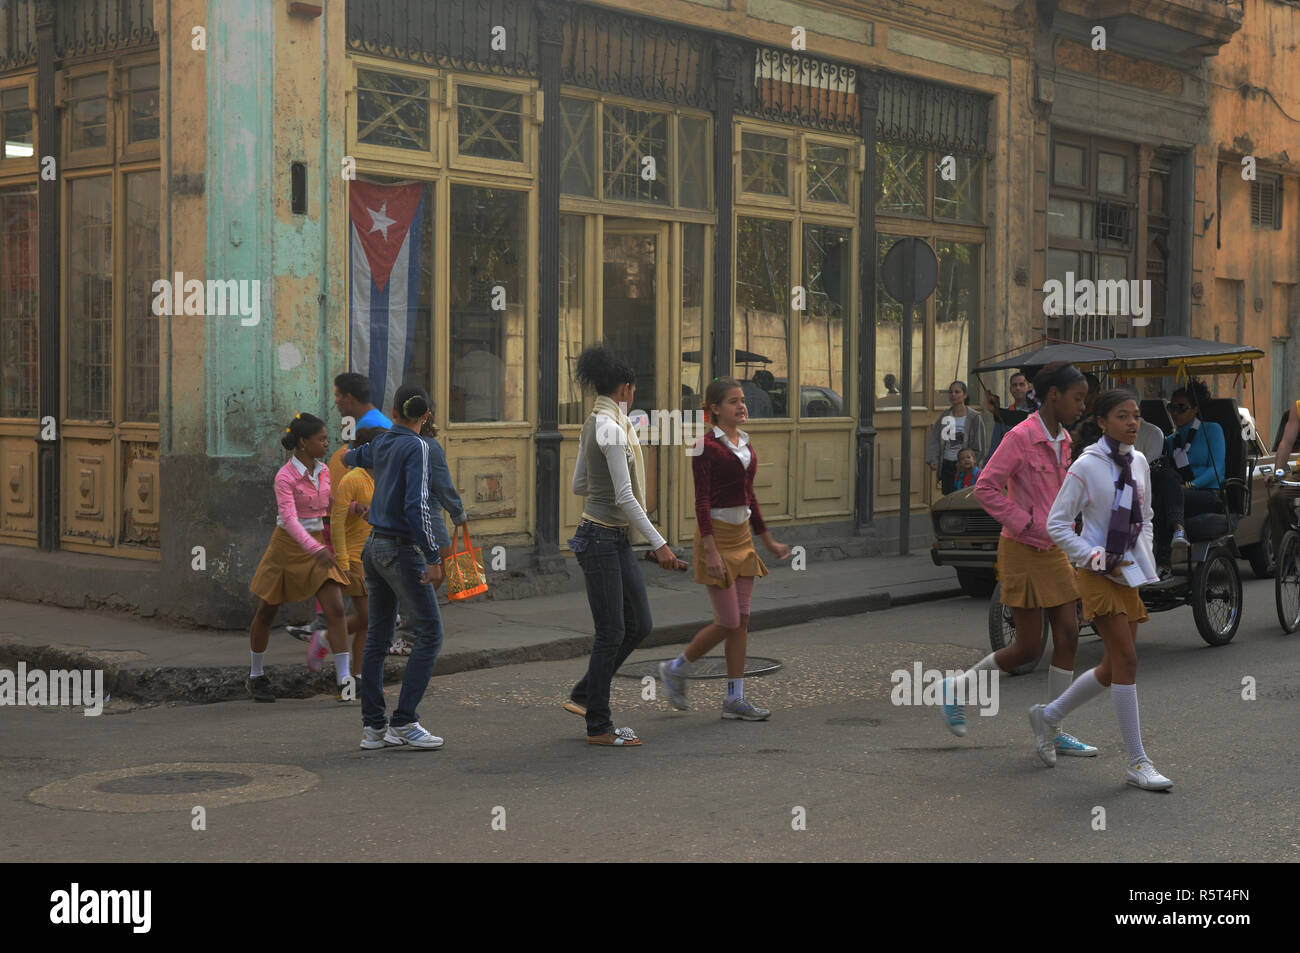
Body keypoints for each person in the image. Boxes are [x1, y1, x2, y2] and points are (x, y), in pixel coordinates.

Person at [941, 363, 1096, 757]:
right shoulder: (1020, 436)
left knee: (1068, 634)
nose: (1082, 407)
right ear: (1054, 395)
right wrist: (1025, 522)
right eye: (1077, 398)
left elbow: (1060, 495)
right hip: (1022, 549)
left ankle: (1053, 726)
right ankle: (956, 688)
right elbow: (986, 487)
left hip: (1056, 548)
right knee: (1028, 649)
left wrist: (1074, 529)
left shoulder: (1063, 439)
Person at [1035, 389, 1170, 791]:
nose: (1132, 423)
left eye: (1136, 416)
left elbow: (1145, 517)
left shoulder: (1141, 462)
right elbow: (1057, 524)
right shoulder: (1086, 466)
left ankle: (1047, 716)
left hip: (1128, 575)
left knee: (1113, 669)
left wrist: (1139, 559)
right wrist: (1097, 558)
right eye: (1122, 416)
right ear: (1102, 422)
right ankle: (1138, 762)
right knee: (1127, 661)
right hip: (1097, 576)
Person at [566, 345, 687, 746]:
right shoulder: (613, 429)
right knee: (612, 631)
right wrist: (661, 544)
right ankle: (598, 725)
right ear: (626, 389)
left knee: (638, 625)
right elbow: (625, 497)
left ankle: (586, 692)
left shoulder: (594, 422)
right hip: (601, 538)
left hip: (608, 537)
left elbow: (579, 485)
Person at [658, 378, 792, 721]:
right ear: (715, 409)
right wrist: (711, 550)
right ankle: (676, 667)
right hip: (715, 539)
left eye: (743, 400)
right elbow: (701, 501)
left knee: (742, 623)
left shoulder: (745, 444)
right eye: (734, 401)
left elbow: (750, 497)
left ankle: (735, 698)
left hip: (742, 540)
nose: (742, 406)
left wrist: (768, 542)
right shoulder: (705, 446)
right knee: (729, 620)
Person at [343, 385, 447, 750]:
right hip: (400, 549)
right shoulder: (417, 446)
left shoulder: (384, 442)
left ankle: (373, 728)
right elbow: (416, 506)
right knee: (431, 633)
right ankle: (404, 721)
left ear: (394, 411)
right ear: (426, 416)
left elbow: (348, 457)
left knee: (377, 636)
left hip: (373, 547)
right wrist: (433, 557)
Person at [246, 413, 353, 703]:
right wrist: (315, 549)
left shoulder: (324, 471)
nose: (327, 443)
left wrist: (353, 507)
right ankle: (256, 675)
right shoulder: (285, 476)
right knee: (267, 612)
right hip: (287, 547)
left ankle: (345, 681)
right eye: (321, 439)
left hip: (315, 545)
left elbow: (328, 502)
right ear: (303, 443)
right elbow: (290, 520)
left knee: (336, 610)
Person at [1151, 378, 1225, 577]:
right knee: (1164, 476)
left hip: (1207, 494)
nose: (1174, 413)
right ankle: (1177, 529)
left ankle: (1164, 563)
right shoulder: (1169, 440)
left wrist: (1191, 485)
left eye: (1181, 408)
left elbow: (1217, 468)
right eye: (1171, 408)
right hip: (1178, 493)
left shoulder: (1212, 430)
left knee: (1163, 500)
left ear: (1194, 409)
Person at [329, 427, 381, 679]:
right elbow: (336, 522)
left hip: (378, 556)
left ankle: (359, 676)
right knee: (368, 619)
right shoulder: (351, 479)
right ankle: (330, 638)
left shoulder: (386, 476)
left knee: (369, 622)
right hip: (354, 557)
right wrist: (342, 561)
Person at [419, 416, 469, 586]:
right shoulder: (430, 446)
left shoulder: (394, 442)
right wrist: (457, 513)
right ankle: (420, 611)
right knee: (440, 566)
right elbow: (443, 486)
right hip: (427, 512)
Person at [926, 380, 986, 495]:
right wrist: (934, 459)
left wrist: (972, 464)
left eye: (957, 392)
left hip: (965, 466)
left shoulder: (974, 417)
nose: (953, 395)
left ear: (965, 395)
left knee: (964, 497)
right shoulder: (945, 416)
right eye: (951, 392)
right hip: (948, 463)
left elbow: (980, 445)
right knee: (948, 496)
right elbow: (936, 439)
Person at [1266, 402, 1300, 561]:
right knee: (1276, 498)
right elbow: (1286, 442)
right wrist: (1277, 474)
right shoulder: (1298, 408)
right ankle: (1285, 553)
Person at [985, 372, 1034, 459]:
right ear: (1010, 389)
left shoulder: (1036, 412)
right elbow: (996, 443)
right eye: (1014, 385)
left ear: (1029, 387)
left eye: (1022, 384)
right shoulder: (1005, 413)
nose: (1018, 388)